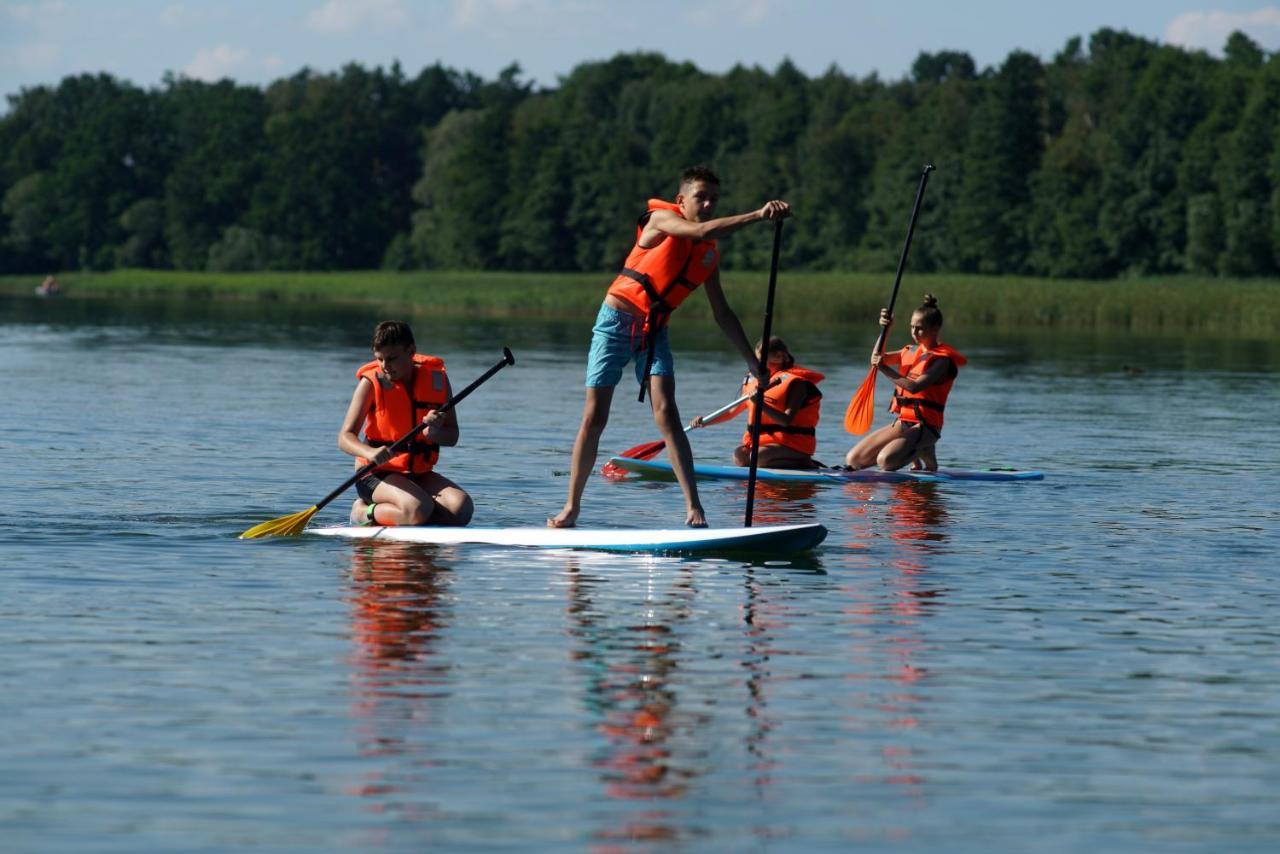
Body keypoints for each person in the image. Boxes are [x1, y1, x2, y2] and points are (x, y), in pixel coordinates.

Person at [548, 165, 790, 528]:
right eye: (701, 197)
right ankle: (571, 508)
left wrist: (753, 364)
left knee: (667, 412)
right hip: (616, 322)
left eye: (714, 199)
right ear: (682, 200)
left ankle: (695, 509)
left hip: (655, 329)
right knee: (594, 417)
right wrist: (758, 214)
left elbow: (722, 313)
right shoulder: (661, 219)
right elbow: (701, 229)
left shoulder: (708, 255)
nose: (708, 204)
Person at [337, 320, 474, 527]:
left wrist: (434, 432)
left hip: (418, 474)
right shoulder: (370, 383)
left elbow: (452, 436)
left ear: (411, 351)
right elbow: (345, 438)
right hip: (375, 473)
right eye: (379, 359)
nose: (385, 366)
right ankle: (363, 512)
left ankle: (413, 513)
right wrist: (369, 453)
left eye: (392, 358)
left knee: (461, 509)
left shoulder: (438, 381)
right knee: (418, 509)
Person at [845, 294, 966, 472]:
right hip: (903, 422)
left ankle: (924, 449)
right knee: (853, 460)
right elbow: (876, 359)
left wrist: (884, 369)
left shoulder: (942, 361)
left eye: (920, 329)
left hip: (926, 425)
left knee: (885, 461)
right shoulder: (908, 351)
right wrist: (885, 329)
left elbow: (914, 386)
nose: (914, 333)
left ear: (935, 328)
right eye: (912, 328)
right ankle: (917, 451)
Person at [689, 336, 825, 469]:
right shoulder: (753, 381)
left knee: (759, 457)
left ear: (779, 357)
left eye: (759, 361)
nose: (755, 365)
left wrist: (761, 403)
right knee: (739, 456)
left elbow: (786, 421)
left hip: (793, 444)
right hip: (763, 443)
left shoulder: (797, 384)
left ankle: (805, 462)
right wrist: (705, 421)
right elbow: (732, 412)